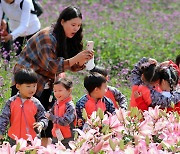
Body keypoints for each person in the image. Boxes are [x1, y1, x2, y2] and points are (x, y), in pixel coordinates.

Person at [11, 6, 93, 146]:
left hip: (46, 83)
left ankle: (43, 149)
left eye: (79, 25)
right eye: (73, 25)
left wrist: (83, 61)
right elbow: (52, 65)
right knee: (25, 123)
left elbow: (68, 65)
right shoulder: (47, 36)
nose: (76, 29)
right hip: (27, 81)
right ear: (62, 22)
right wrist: (74, 59)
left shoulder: (66, 37)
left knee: (45, 123)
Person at [0, 68, 48, 146]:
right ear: (18, 86)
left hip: (31, 140)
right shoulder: (11, 101)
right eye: (28, 86)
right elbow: (4, 118)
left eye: (34, 86)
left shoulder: (36, 103)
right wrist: (1, 132)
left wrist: (41, 124)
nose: (32, 89)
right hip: (13, 139)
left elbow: (43, 117)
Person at [45, 77, 76, 149]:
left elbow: (65, 121)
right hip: (56, 135)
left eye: (60, 90)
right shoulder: (57, 102)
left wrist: (51, 117)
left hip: (67, 139)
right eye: (55, 91)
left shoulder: (70, 106)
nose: (57, 93)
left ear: (69, 90)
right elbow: (51, 112)